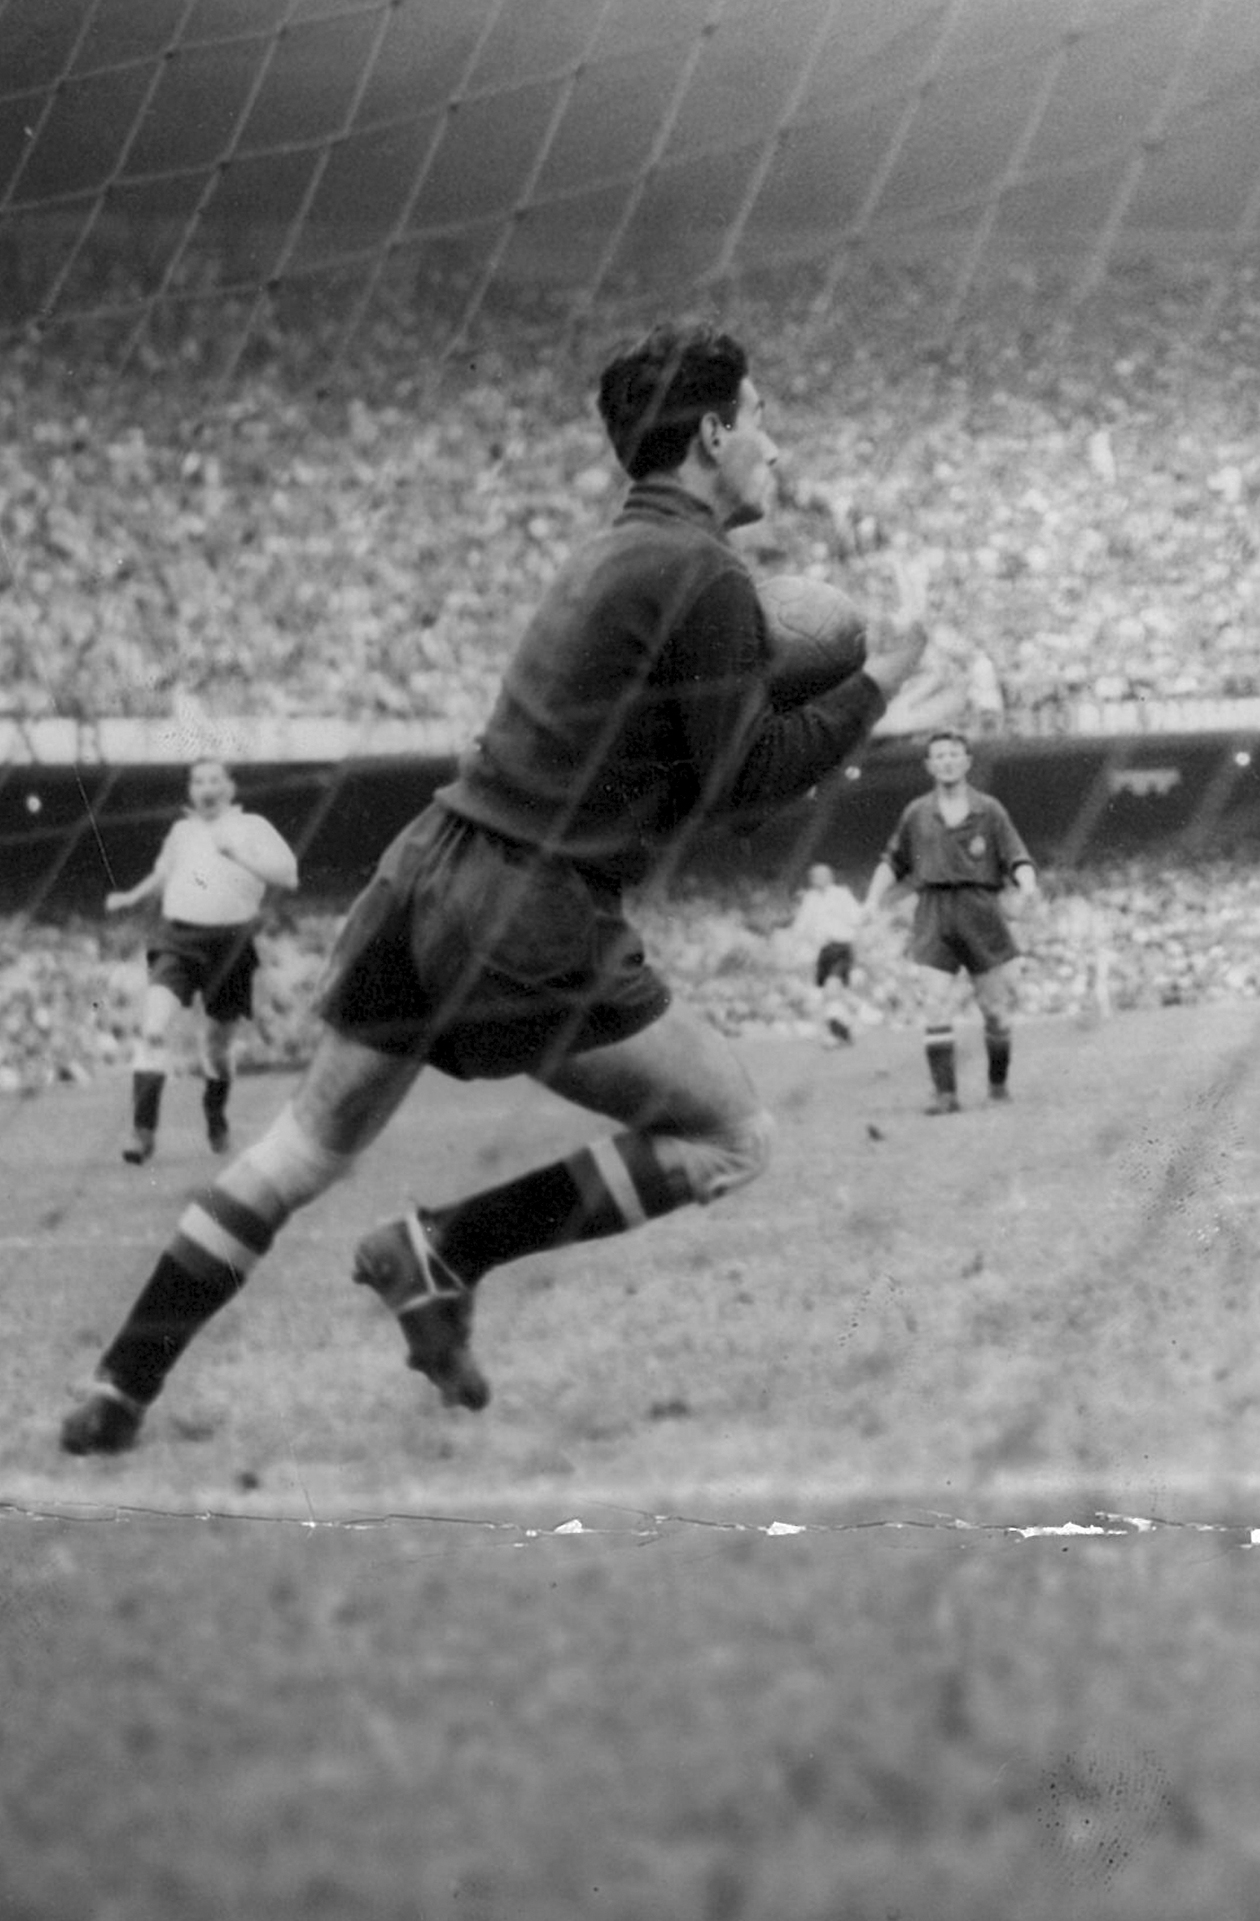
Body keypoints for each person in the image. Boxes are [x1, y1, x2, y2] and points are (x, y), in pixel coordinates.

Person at [60, 325, 934, 1456]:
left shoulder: (611, 554)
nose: (774, 444)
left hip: (421, 875)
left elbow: (679, 765)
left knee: (303, 1149)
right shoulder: (706, 572)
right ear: (714, 433)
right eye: (761, 419)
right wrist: (881, 680)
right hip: (525, 905)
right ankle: (445, 1248)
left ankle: (118, 1387)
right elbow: (745, 782)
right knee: (730, 1135)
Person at [102, 758, 300, 1164]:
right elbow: (162, 873)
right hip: (177, 939)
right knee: (153, 1029)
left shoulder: (253, 827)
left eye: (214, 780)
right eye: (198, 781)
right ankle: (142, 1131)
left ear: (230, 787)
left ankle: (215, 1116)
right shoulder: (182, 831)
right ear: (190, 790)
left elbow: (289, 875)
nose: (206, 788)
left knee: (217, 1049)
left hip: (231, 945)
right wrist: (131, 896)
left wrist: (240, 855)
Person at [866, 729, 1039, 1114]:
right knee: (935, 1004)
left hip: (980, 909)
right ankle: (945, 1095)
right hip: (933, 910)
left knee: (994, 1009)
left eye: (953, 754)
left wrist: (1027, 885)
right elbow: (892, 861)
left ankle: (998, 1087)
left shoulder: (989, 809)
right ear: (929, 765)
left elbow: (1017, 857)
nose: (946, 761)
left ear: (967, 761)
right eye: (939, 755)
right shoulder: (916, 812)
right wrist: (871, 899)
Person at [788, 861, 869, 1040]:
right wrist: (795, 944)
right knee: (827, 992)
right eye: (814, 876)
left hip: (841, 947)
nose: (817, 879)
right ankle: (843, 1027)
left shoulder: (841, 894)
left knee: (832, 987)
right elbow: (801, 924)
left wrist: (862, 922)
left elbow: (857, 917)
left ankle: (841, 1026)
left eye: (822, 875)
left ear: (830, 877)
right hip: (823, 950)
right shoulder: (810, 898)